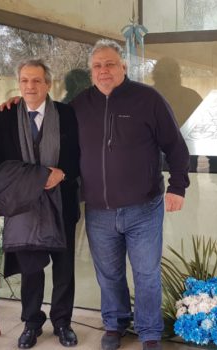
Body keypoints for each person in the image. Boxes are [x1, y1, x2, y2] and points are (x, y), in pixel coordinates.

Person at [71, 39, 190, 350]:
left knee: (146, 274)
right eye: (97, 66)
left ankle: (150, 332)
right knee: (108, 275)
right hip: (98, 210)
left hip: (144, 208)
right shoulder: (79, 105)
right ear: (91, 72)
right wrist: (16, 103)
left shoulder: (148, 99)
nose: (103, 70)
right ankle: (115, 324)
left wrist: (178, 187)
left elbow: (176, 147)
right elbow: (48, 127)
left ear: (123, 67)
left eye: (110, 64)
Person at [0, 59, 81, 348]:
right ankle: (31, 322)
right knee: (31, 269)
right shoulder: (5, 116)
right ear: (19, 84)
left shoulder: (67, 114)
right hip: (24, 206)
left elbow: (78, 155)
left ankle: (63, 322)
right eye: (25, 81)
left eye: (37, 81)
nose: (30, 86)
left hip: (62, 202)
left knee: (64, 268)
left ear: (48, 84)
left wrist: (63, 173)